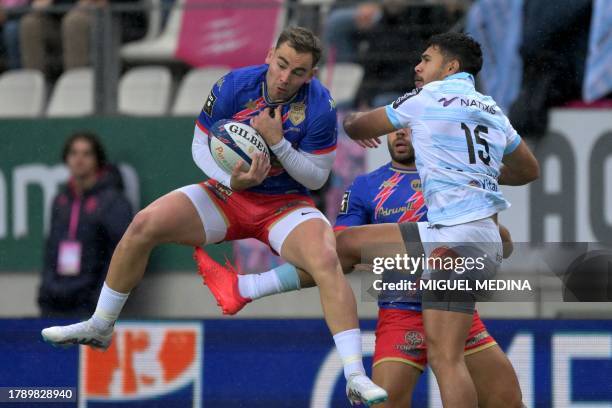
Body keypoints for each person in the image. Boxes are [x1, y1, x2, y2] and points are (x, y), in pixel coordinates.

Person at [41, 26, 388, 406]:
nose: (286, 78)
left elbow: (317, 177)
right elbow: (199, 147)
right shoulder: (233, 85)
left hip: (284, 205)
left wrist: (278, 144)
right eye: (282, 65)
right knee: (143, 224)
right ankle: (102, 324)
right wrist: (232, 179)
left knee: (326, 260)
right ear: (271, 54)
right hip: (227, 194)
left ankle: (355, 374)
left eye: (299, 72)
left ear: (312, 74)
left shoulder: (320, 105)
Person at [196, 128, 523, 407]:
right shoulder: (365, 188)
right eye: (396, 127)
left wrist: (494, 240)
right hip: (401, 311)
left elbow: (497, 246)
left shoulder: (451, 180)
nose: (401, 133)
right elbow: (338, 249)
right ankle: (246, 288)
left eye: (410, 127)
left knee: (508, 402)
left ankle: (248, 287)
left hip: (454, 309)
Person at [338, 32, 539, 408]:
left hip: (455, 240)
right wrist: (478, 172)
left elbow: (360, 128)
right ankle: (256, 285)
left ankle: (256, 285)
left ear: (450, 67)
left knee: (446, 359)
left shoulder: (426, 98)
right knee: (344, 244)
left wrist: (351, 122)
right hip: (470, 238)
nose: (418, 66)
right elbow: (529, 170)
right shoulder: (492, 108)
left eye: (426, 59)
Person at [38, 131, 132, 317]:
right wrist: (45, 291)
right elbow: (51, 250)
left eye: (86, 153)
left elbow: (123, 253)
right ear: (66, 159)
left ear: (98, 159)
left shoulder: (112, 201)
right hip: (55, 301)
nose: (79, 159)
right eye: (74, 153)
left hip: (89, 303)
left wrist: (100, 300)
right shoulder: (61, 200)